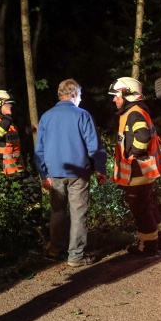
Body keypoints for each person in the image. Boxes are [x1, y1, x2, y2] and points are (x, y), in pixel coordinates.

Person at [34, 79, 107, 267]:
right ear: (74, 94)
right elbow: (94, 146)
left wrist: (44, 174)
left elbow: (39, 149)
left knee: (57, 212)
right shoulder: (82, 115)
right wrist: (100, 169)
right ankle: (75, 256)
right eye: (80, 95)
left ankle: (54, 250)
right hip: (78, 174)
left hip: (54, 173)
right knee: (78, 214)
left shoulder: (46, 117)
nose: (80, 99)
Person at [108, 77, 161, 257]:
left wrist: (133, 153)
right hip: (145, 170)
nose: (114, 100)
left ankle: (148, 247)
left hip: (138, 171)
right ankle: (158, 240)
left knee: (140, 209)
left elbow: (142, 135)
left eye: (116, 96)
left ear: (127, 95)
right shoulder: (137, 110)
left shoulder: (134, 113)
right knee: (147, 205)